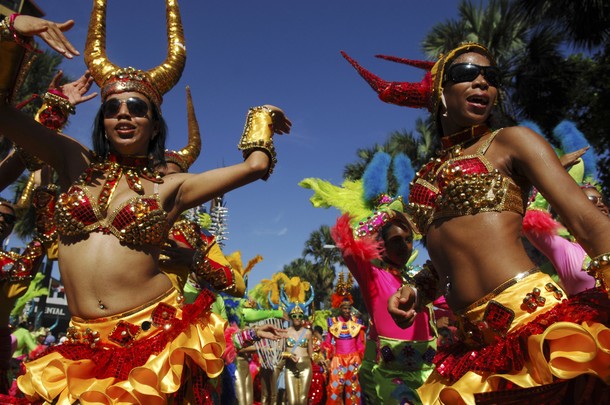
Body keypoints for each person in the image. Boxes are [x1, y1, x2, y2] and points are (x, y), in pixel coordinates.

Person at [0, 2, 291, 403]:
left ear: (154, 123)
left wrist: (260, 117)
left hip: (153, 347)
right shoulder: (74, 162)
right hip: (81, 345)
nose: (124, 114)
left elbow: (255, 167)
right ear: (102, 120)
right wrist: (12, 27)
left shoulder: (168, 188)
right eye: (112, 108)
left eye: (137, 108)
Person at [343, 42, 610, 403]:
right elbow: (447, 257)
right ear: (440, 89)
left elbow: (585, 219)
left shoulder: (512, 141)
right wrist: (418, 291)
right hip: (471, 350)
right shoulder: (424, 178)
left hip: (531, 325)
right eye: (466, 74)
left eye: (491, 77)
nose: (482, 83)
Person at [300, 152, 444, 404]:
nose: (404, 246)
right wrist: (386, 213)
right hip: (391, 377)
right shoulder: (373, 274)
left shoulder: (421, 280)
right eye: (395, 241)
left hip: (429, 372)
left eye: (408, 240)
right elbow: (348, 242)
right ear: (382, 245)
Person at [325, 272, 365, 405]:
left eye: (349, 308)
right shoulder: (332, 322)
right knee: (335, 389)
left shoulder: (356, 323)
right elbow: (327, 342)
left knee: (353, 390)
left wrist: (363, 358)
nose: (347, 311)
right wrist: (326, 355)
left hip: (354, 360)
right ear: (340, 309)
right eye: (345, 308)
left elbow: (360, 343)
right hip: (338, 360)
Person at [279, 285, 314, 405]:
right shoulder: (285, 332)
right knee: (293, 400)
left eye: (300, 316)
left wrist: (320, 358)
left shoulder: (308, 333)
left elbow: (311, 353)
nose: (297, 318)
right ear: (290, 317)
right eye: (294, 316)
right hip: (290, 367)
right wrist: (287, 354)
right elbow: (279, 353)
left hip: (306, 367)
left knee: (303, 399)